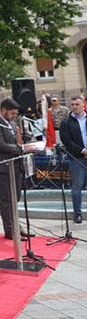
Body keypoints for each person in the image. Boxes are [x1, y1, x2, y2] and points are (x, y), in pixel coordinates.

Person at [0, 97, 40, 239]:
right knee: (7, 199)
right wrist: (22, 148)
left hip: (15, 165)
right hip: (3, 167)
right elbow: (1, 145)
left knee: (15, 198)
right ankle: (10, 230)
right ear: (3, 110)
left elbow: (14, 142)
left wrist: (25, 146)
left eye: (15, 114)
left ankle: (16, 226)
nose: (14, 116)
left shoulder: (10, 123)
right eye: (11, 113)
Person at [59, 96, 87, 224]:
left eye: (77, 104)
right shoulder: (66, 122)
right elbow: (67, 141)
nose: (74, 106)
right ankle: (77, 213)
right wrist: (83, 150)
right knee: (77, 186)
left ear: (83, 105)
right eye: (72, 104)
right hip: (77, 157)